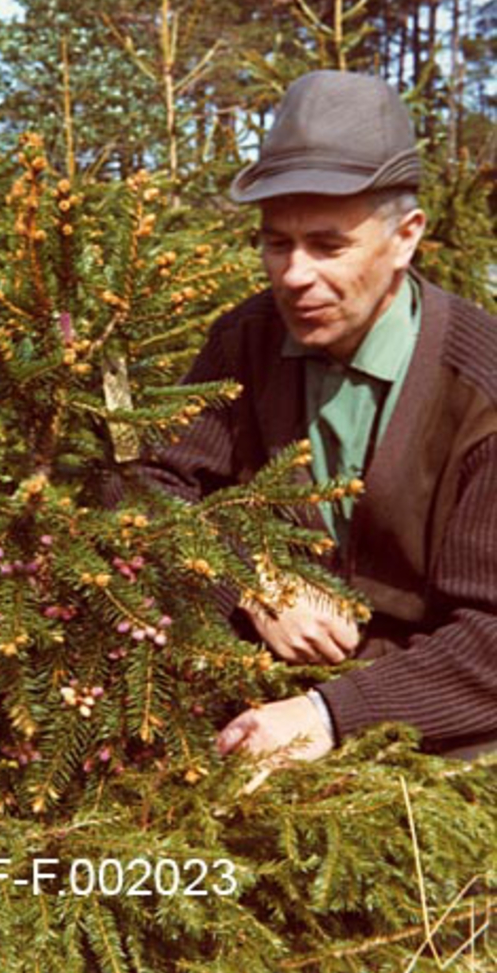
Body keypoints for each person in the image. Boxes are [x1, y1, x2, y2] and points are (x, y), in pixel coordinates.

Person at [131, 70, 497, 765]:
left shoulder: (482, 387)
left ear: (405, 237)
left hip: (428, 723)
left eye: (328, 246)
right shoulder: (246, 340)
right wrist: (252, 580)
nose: (295, 275)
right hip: (258, 687)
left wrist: (330, 715)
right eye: (276, 244)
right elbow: (147, 484)